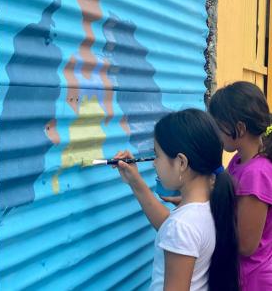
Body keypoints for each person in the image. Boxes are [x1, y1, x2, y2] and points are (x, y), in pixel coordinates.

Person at [113, 109, 239, 291]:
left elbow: (176, 231)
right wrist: (135, 181)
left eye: (157, 155)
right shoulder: (209, 206)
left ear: (181, 162)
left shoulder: (181, 226)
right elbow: (169, 227)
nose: (153, 163)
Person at [208, 81, 272, 290]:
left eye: (219, 126)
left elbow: (246, 245)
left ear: (240, 128)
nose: (216, 133)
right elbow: (226, 197)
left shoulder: (256, 173)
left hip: (252, 280)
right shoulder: (239, 160)